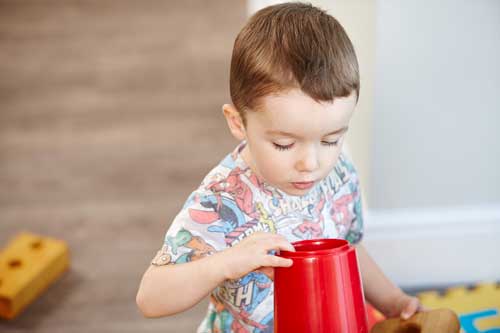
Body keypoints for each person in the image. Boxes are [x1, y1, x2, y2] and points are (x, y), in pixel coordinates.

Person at [136, 2, 423, 332]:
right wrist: (224, 263)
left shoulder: (339, 174)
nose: (311, 164)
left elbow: (350, 248)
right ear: (238, 123)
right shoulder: (220, 202)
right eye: (284, 144)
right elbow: (151, 296)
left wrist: (394, 302)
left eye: (331, 140)